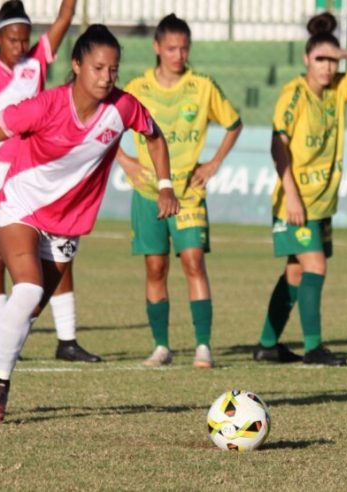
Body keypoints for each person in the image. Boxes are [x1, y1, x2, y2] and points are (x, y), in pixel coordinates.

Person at [0, 25, 180, 421]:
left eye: (114, 70)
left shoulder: (122, 108)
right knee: (28, 289)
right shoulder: (42, 107)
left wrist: (165, 186)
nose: (107, 77)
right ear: (76, 65)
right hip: (18, 208)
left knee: (28, 311)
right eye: (98, 68)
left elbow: (154, 137)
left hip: (66, 225)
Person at [0, 0, 101, 362]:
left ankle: (67, 340)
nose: (20, 46)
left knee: (55, 252)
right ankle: (1, 338)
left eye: (24, 39)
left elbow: (65, 17)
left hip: (33, 171)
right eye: (12, 39)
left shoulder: (35, 64)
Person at [252, 12, 347, 365]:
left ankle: (266, 344)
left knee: (295, 271)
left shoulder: (339, 87)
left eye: (331, 60)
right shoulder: (293, 95)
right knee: (316, 266)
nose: (326, 67)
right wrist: (291, 195)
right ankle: (313, 348)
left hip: (322, 203)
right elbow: (277, 145)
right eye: (320, 59)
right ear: (306, 59)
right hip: (297, 202)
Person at [116, 14, 242, 369]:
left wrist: (214, 162)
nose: (178, 54)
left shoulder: (202, 86)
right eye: (171, 47)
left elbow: (234, 123)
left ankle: (203, 345)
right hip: (147, 192)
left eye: (184, 48)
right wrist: (123, 159)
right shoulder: (137, 88)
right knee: (155, 267)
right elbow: (104, 125)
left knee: (193, 260)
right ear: (157, 47)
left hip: (187, 191)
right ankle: (161, 346)